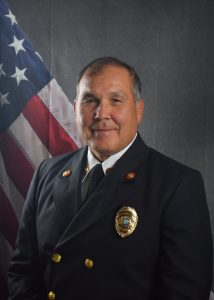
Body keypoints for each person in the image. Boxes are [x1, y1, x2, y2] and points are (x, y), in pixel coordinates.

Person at [8, 57, 213, 300]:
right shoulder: (47, 174)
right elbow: (23, 272)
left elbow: (184, 294)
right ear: (75, 108)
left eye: (116, 100)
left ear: (138, 110)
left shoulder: (177, 185)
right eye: (89, 100)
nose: (101, 113)